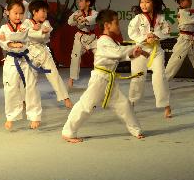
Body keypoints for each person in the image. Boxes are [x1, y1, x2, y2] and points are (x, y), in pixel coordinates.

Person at [61, 9, 146, 143]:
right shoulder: (103, 41)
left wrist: (132, 54)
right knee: (86, 105)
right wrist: (136, 47)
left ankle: (136, 130)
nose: (118, 26)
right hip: (100, 79)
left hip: (109, 81)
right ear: (107, 25)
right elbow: (117, 53)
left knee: (124, 104)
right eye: (116, 23)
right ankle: (68, 132)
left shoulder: (112, 42)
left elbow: (120, 54)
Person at [0, 0, 42, 131]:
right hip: (11, 60)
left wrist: (39, 29)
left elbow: (34, 32)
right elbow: (2, 40)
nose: (18, 16)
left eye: (21, 13)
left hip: (26, 58)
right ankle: (11, 116)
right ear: (7, 13)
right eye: (15, 13)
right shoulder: (4, 28)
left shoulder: (26, 25)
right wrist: (11, 44)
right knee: (10, 88)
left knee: (31, 87)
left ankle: (34, 116)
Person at [127, 0, 172, 118]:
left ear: (154, 3)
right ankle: (131, 103)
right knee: (137, 77)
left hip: (156, 51)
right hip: (141, 50)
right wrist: (145, 38)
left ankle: (166, 105)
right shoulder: (138, 18)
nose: (144, 5)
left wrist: (156, 35)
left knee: (160, 77)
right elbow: (131, 32)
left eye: (147, 2)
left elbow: (167, 32)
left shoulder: (160, 18)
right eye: (142, 2)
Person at [22, 0, 73, 108]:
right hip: (30, 53)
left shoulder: (46, 23)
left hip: (43, 51)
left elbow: (45, 36)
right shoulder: (26, 22)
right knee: (29, 79)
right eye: (43, 11)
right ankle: (24, 100)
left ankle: (65, 98)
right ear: (34, 12)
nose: (45, 14)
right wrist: (34, 30)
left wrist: (40, 31)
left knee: (54, 74)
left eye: (46, 12)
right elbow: (25, 34)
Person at [67, 0, 98, 89]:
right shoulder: (77, 13)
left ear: (88, 2)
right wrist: (75, 18)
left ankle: (98, 78)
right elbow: (70, 22)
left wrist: (85, 19)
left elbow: (95, 18)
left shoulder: (94, 13)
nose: (78, 3)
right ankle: (71, 79)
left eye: (81, 1)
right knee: (75, 57)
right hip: (80, 37)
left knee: (99, 56)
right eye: (78, 1)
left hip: (92, 38)